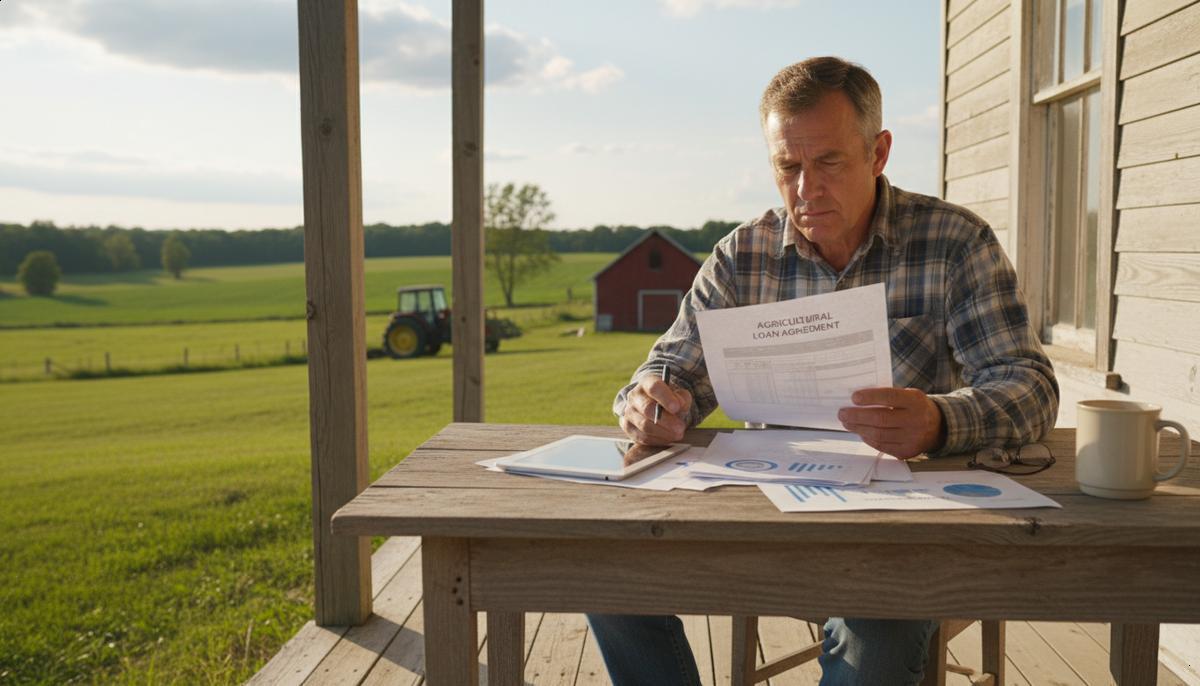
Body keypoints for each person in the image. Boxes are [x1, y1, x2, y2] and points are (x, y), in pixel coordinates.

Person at [590, 56, 1059, 685]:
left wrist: (940, 420)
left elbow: (1030, 387)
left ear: (879, 152)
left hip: (903, 534)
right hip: (765, 520)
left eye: (829, 162)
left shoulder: (955, 242)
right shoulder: (742, 256)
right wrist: (651, 400)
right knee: (602, 575)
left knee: (876, 637)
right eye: (788, 167)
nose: (806, 189)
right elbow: (673, 367)